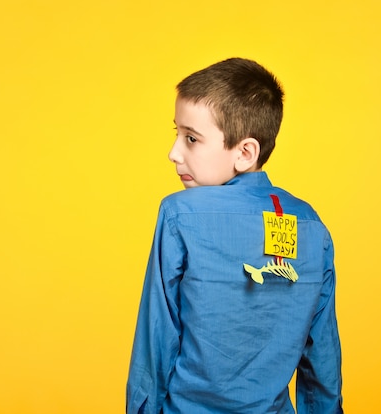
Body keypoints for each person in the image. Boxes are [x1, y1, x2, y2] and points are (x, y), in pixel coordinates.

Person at [126, 58, 343, 413]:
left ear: (245, 152)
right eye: (177, 134)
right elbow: (322, 360)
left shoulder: (180, 214)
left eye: (191, 138)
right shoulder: (311, 226)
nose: (173, 153)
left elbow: (155, 346)